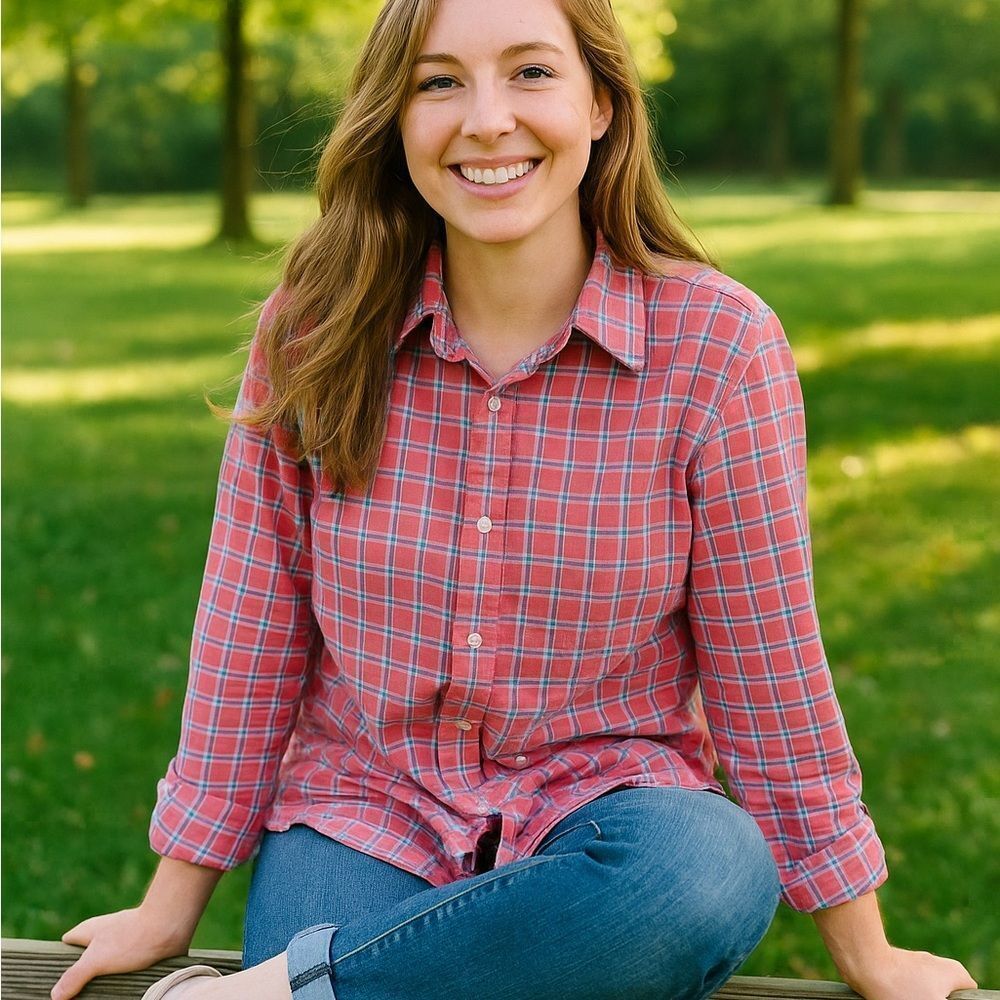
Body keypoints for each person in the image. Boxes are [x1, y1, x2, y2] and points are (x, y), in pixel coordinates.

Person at [52, 1, 980, 999]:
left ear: (601, 105)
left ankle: (286, 993)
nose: (486, 119)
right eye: (438, 81)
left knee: (707, 869)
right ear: (395, 117)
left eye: (531, 73)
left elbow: (769, 666)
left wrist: (865, 948)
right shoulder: (317, 327)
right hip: (364, 804)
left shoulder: (717, 348)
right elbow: (252, 620)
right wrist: (170, 902)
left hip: (612, 812)